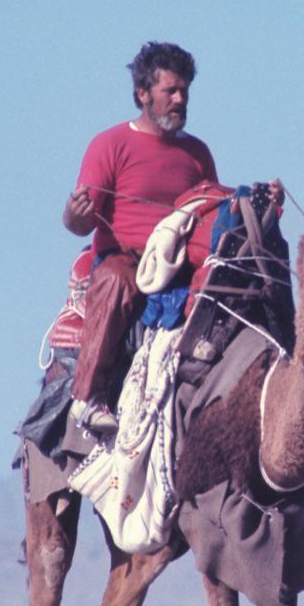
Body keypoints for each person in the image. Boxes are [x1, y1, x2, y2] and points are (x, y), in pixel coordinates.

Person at [63, 41, 219, 432]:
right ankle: (88, 397)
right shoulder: (110, 144)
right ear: (143, 94)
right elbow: (80, 223)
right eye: (171, 91)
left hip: (181, 264)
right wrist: (74, 213)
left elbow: (210, 212)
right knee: (115, 280)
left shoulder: (198, 154)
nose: (180, 99)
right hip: (126, 261)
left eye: (185, 91)